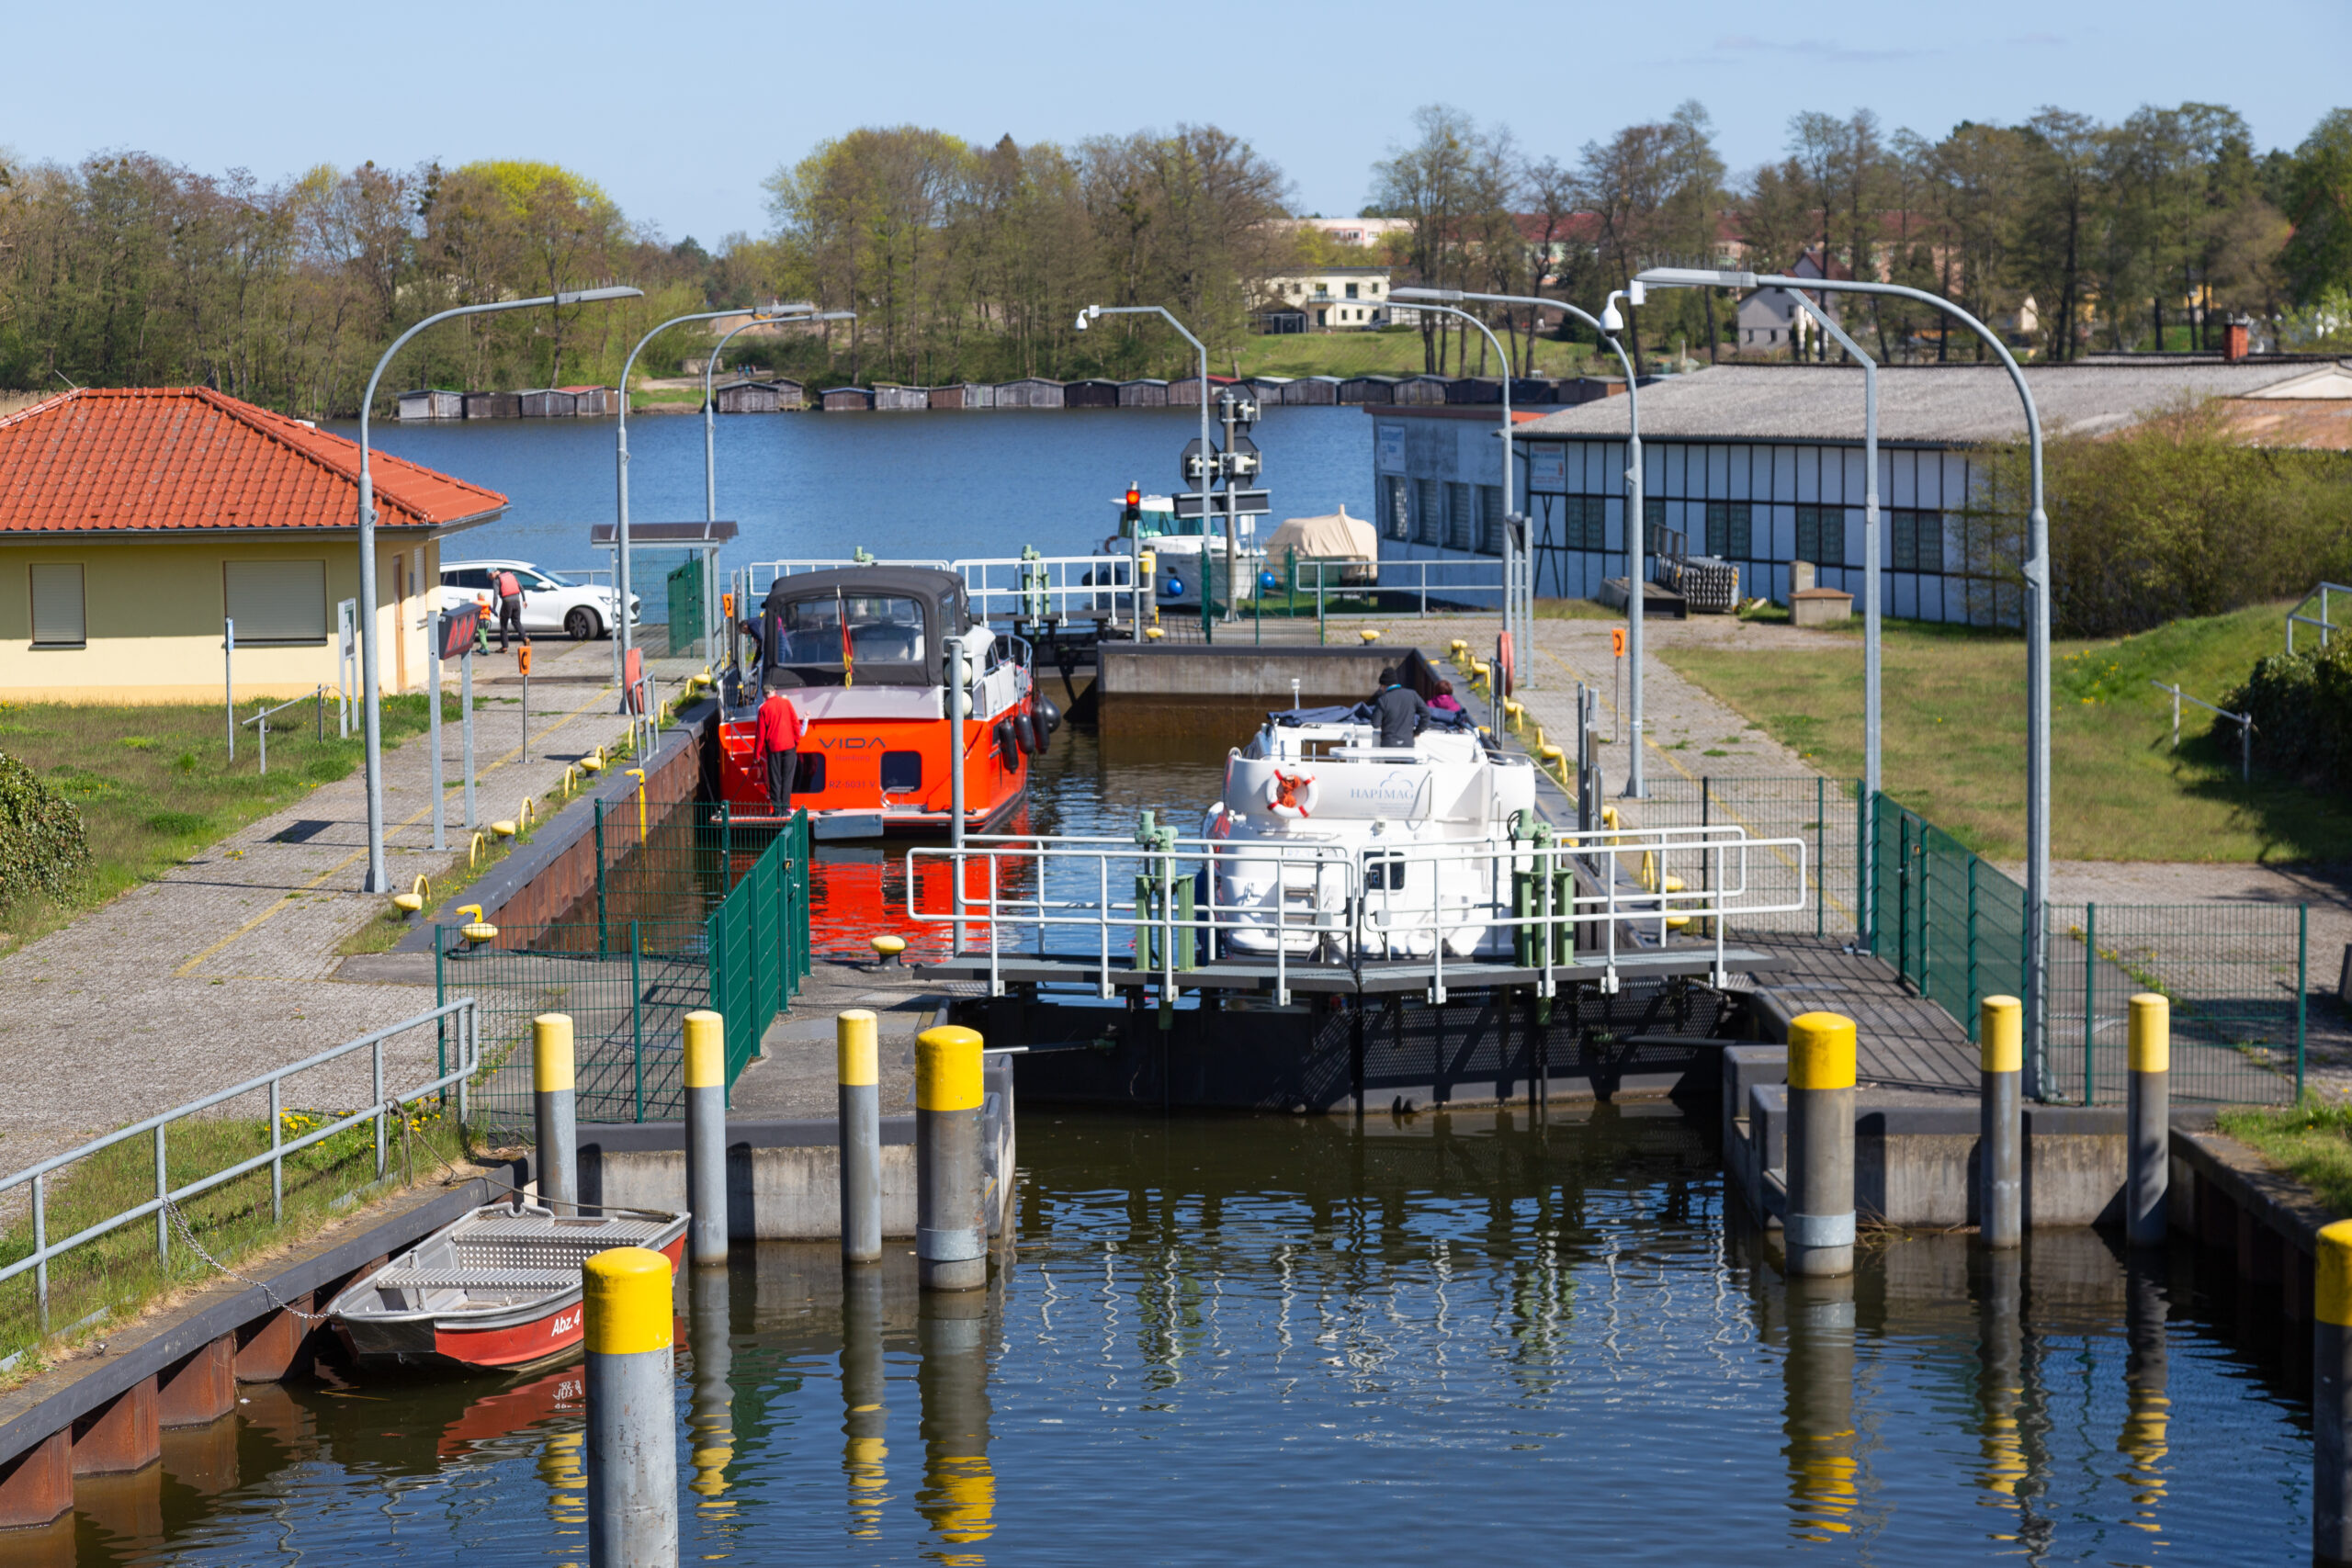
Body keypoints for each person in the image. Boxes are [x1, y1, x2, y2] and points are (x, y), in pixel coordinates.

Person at [757, 685, 803, 809]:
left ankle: (777, 810)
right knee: (787, 778)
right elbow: (795, 723)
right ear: (775, 692)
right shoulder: (786, 703)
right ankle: (786, 807)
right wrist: (796, 741)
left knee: (775, 779)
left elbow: (760, 734)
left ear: (764, 695)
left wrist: (756, 754)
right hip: (789, 746)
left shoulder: (763, 709)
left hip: (773, 748)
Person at [1372, 666, 1430, 751]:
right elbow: (1426, 714)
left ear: (1385, 685)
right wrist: (1417, 732)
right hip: (1408, 743)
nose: (1380, 688)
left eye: (1381, 685)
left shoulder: (1382, 699)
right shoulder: (1412, 695)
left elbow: (1375, 724)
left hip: (1389, 744)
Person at [494, 568, 526, 652]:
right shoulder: (511, 575)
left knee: (503, 624)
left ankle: (504, 647)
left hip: (507, 602)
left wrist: (494, 609)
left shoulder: (497, 580)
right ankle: (525, 638)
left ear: (494, 573)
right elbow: (521, 588)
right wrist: (524, 600)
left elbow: (495, 596)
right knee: (516, 621)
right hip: (517, 601)